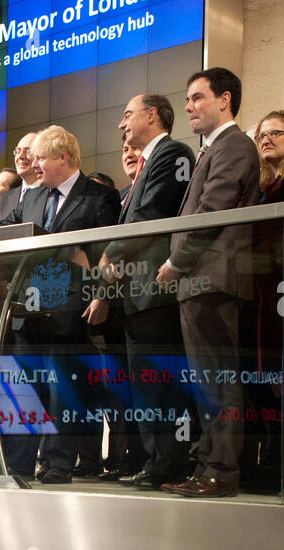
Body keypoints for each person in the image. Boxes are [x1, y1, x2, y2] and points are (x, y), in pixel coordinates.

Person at [156, 68, 261, 498]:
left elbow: (211, 212)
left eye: (198, 97)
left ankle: (222, 471)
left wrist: (175, 263)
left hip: (212, 280)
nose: (188, 107)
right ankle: (206, 467)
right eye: (187, 99)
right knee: (207, 383)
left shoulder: (234, 145)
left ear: (225, 100)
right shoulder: (212, 149)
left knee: (220, 381)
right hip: (199, 282)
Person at [2, 125, 123, 484]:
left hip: (70, 310)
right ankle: (18, 465)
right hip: (28, 307)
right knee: (27, 390)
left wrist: (102, 295)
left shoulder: (100, 197)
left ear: (63, 157)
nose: (33, 164)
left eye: (40, 157)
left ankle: (58, 463)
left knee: (63, 393)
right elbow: (7, 234)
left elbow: (107, 254)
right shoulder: (32, 197)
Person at [96, 94, 197, 490]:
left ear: (152, 115)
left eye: (127, 115)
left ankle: (167, 464)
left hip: (155, 291)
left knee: (159, 386)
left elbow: (150, 216)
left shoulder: (173, 153)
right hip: (137, 294)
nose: (122, 125)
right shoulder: (149, 162)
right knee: (145, 386)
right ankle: (158, 461)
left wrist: (110, 253)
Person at [239, 109, 284, 494]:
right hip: (257, 297)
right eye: (260, 134)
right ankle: (268, 458)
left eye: (275, 133)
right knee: (262, 382)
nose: (265, 139)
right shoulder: (263, 189)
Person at [0, 131, 40, 225]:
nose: (20, 156)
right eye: (18, 151)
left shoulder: (50, 193)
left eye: (27, 151)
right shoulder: (1, 200)